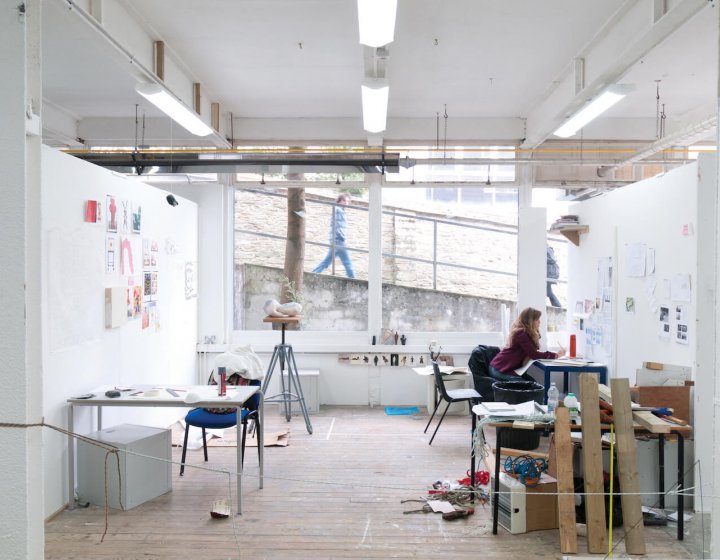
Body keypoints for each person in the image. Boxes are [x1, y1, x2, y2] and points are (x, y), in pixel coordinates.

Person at [488, 307, 566, 381]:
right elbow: (534, 354)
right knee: (526, 386)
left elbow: (534, 350)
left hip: (506, 368)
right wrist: (556, 355)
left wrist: (536, 333)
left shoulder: (526, 333)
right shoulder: (520, 333)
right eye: (537, 319)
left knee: (533, 385)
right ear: (530, 321)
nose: (539, 322)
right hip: (499, 369)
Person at [312, 193, 355, 278]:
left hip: (336, 240)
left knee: (326, 262)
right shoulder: (337, 209)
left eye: (347, 201)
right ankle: (355, 281)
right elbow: (337, 225)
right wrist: (342, 238)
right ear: (339, 201)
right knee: (348, 263)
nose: (346, 203)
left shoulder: (341, 210)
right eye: (344, 200)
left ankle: (313, 274)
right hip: (338, 240)